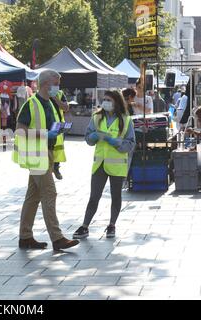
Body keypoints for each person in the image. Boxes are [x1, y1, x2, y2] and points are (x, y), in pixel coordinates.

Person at [13, 69, 80, 251]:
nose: (58, 87)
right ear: (46, 84)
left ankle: (25, 237)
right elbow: (19, 130)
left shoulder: (50, 103)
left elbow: (58, 115)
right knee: (49, 193)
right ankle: (57, 238)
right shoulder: (31, 103)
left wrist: (57, 129)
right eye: (56, 83)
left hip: (46, 153)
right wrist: (45, 134)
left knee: (33, 196)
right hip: (37, 154)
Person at [73, 90, 136, 240]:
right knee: (94, 196)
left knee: (116, 197)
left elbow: (131, 144)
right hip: (99, 164)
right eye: (104, 99)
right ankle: (85, 226)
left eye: (109, 100)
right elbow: (88, 138)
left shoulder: (126, 120)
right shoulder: (96, 117)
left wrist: (116, 143)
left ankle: (112, 225)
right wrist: (93, 137)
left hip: (117, 165)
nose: (105, 102)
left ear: (117, 102)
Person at [50, 90, 69, 180]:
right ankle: (47, 171)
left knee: (58, 148)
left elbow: (66, 108)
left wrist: (55, 98)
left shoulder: (60, 94)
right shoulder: (40, 93)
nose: (56, 86)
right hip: (44, 125)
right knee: (47, 148)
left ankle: (56, 168)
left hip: (58, 125)